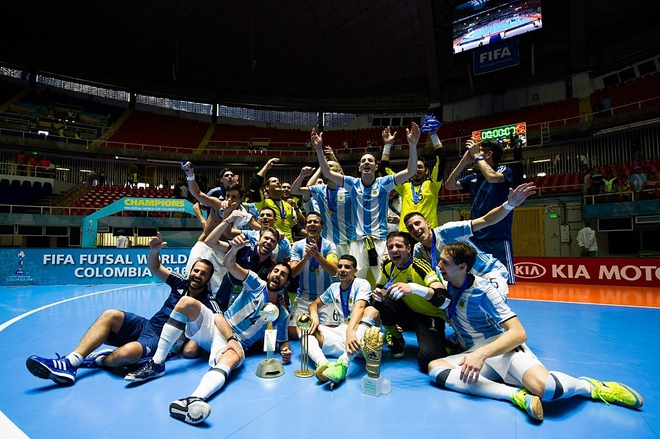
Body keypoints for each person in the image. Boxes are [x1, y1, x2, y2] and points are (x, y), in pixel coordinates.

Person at [427, 241, 642, 421]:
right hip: (471, 352)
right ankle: (516, 396)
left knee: (545, 388)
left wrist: (482, 353)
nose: (440, 266)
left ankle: (590, 386)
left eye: (445, 262)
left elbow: (518, 334)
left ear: (462, 267)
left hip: (500, 349)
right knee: (436, 368)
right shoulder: (446, 286)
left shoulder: (484, 291)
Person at [125, 237, 292, 425]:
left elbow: (282, 340)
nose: (278, 275)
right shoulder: (255, 283)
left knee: (231, 357)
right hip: (218, 327)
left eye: (283, 275)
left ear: (286, 283)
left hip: (237, 344)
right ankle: (157, 364)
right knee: (187, 303)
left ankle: (193, 399)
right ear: (269, 275)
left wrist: (285, 351)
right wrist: (235, 248)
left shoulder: (283, 313)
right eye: (276, 271)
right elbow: (229, 264)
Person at [25, 232, 220, 386]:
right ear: (190, 271)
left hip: (159, 341)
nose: (197, 275)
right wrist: (154, 252)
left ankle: (100, 360)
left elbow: (214, 327)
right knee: (111, 315)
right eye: (196, 271)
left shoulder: (208, 303)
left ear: (208, 278)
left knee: (127, 353)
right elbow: (155, 268)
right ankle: (71, 362)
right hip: (146, 325)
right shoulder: (180, 282)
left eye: (203, 274)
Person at [311, 124, 420, 285]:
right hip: (358, 242)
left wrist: (412, 145)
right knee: (353, 280)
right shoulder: (352, 184)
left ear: (376, 166)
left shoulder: (384, 183)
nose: (367, 162)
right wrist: (319, 149)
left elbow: (410, 171)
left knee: (384, 280)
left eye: (370, 160)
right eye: (363, 161)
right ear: (360, 167)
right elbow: (327, 173)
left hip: (380, 241)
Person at [405, 182, 537, 299]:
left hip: (488, 272)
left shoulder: (449, 231)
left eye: (418, 223)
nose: (415, 229)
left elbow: (486, 220)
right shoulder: (418, 250)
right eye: (411, 228)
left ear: (427, 223)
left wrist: (509, 205)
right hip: (461, 282)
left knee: (493, 307)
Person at [372, 232, 450, 372]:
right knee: (380, 302)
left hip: (430, 316)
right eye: (390, 247)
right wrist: (378, 294)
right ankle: (397, 339)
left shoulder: (420, 266)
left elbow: (443, 299)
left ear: (408, 248)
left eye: (398, 246)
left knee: (428, 359)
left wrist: (414, 289)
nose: (394, 250)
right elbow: (379, 288)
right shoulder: (388, 267)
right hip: (408, 313)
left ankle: (444, 343)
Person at [445, 138, 516, 284]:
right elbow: (450, 185)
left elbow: (492, 178)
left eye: (478, 151)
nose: (473, 154)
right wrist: (463, 162)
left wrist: (477, 156)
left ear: (488, 155)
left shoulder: (503, 170)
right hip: (475, 238)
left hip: (497, 237)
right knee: (475, 281)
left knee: (501, 282)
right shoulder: (474, 177)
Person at [304, 254, 381, 384]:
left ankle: (343, 364)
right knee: (305, 326)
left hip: (363, 339)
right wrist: (314, 316)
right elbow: (313, 304)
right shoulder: (333, 288)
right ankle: (323, 364)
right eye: (340, 266)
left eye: (347, 267)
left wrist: (350, 331)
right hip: (343, 336)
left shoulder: (362, 283)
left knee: (371, 311)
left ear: (355, 271)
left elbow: (360, 307)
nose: (342, 269)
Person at [380, 116, 446, 231]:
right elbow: (384, 169)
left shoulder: (433, 184)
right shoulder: (404, 187)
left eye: (420, 167)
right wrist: (387, 145)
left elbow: (442, 160)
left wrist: (434, 136)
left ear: (426, 170)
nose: (416, 170)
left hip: (428, 232)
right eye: (414, 167)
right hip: (406, 233)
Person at [288, 211, 338, 339]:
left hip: (325, 298)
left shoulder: (329, 246)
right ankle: (314, 329)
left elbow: (333, 271)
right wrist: (306, 258)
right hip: (304, 297)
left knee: (332, 332)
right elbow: (293, 273)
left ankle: (313, 329)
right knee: (292, 332)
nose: (312, 224)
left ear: (322, 227)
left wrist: (317, 255)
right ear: (305, 227)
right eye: (309, 222)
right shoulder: (298, 246)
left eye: (315, 222)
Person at [292, 161, 356, 257]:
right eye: (324, 165)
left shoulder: (349, 190)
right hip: (327, 242)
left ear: (339, 172)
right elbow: (294, 190)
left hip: (348, 241)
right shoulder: (319, 190)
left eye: (330, 166)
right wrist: (302, 175)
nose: (326, 167)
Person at [249, 157, 299, 243]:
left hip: (289, 243)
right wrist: (266, 167)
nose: (278, 182)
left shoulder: (287, 205)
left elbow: (295, 226)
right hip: (272, 242)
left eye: (278, 181)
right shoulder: (263, 203)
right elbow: (254, 185)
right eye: (274, 181)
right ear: (267, 187)